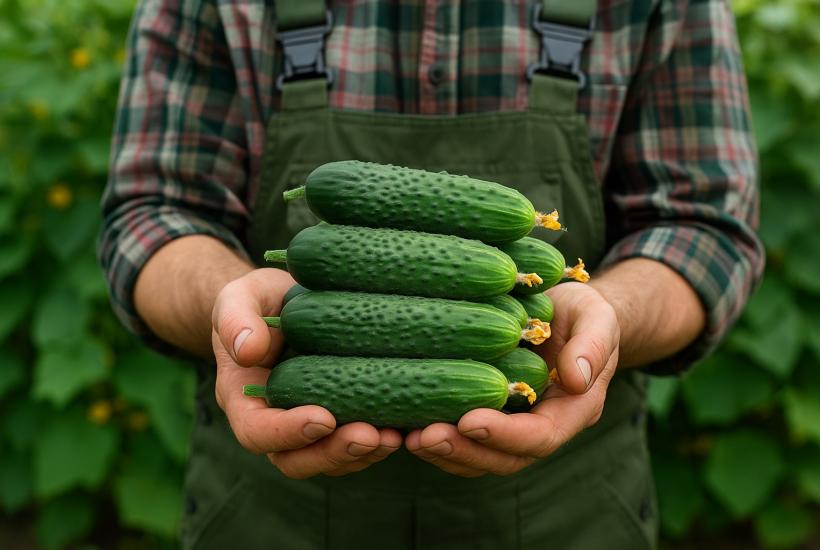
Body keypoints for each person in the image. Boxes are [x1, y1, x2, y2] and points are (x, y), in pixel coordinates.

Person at [99, 0, 764, 548]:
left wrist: (607, 316)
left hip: (570, 514)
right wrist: (233, 308)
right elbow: (152, 213)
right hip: (270, 517)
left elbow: (704, 227)